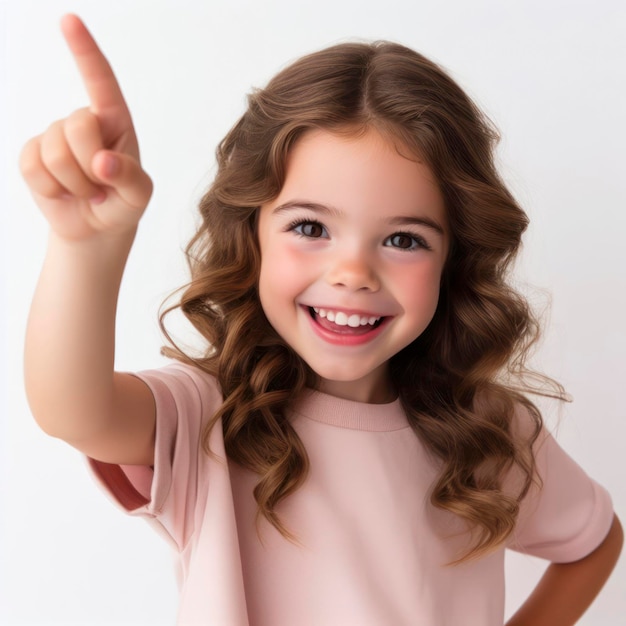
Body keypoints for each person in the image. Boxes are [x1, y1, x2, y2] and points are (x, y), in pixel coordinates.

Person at [21, 14, 622, 626]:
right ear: (251, 233)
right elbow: (74, 409)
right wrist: (85, 246)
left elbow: (594, 542)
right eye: (310, 228)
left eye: (405, 239)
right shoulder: (207, 421)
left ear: (453, 259)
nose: (353, 272)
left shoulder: (489, 430)